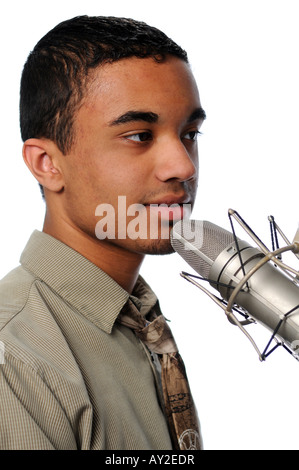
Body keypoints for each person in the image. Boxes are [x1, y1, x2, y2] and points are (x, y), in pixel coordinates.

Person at [0, 15, 206, 450]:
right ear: (47, 164)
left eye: (189, 133)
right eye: (139, 135)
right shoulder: (15, 359)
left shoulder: (137, 318)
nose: (183, 167)